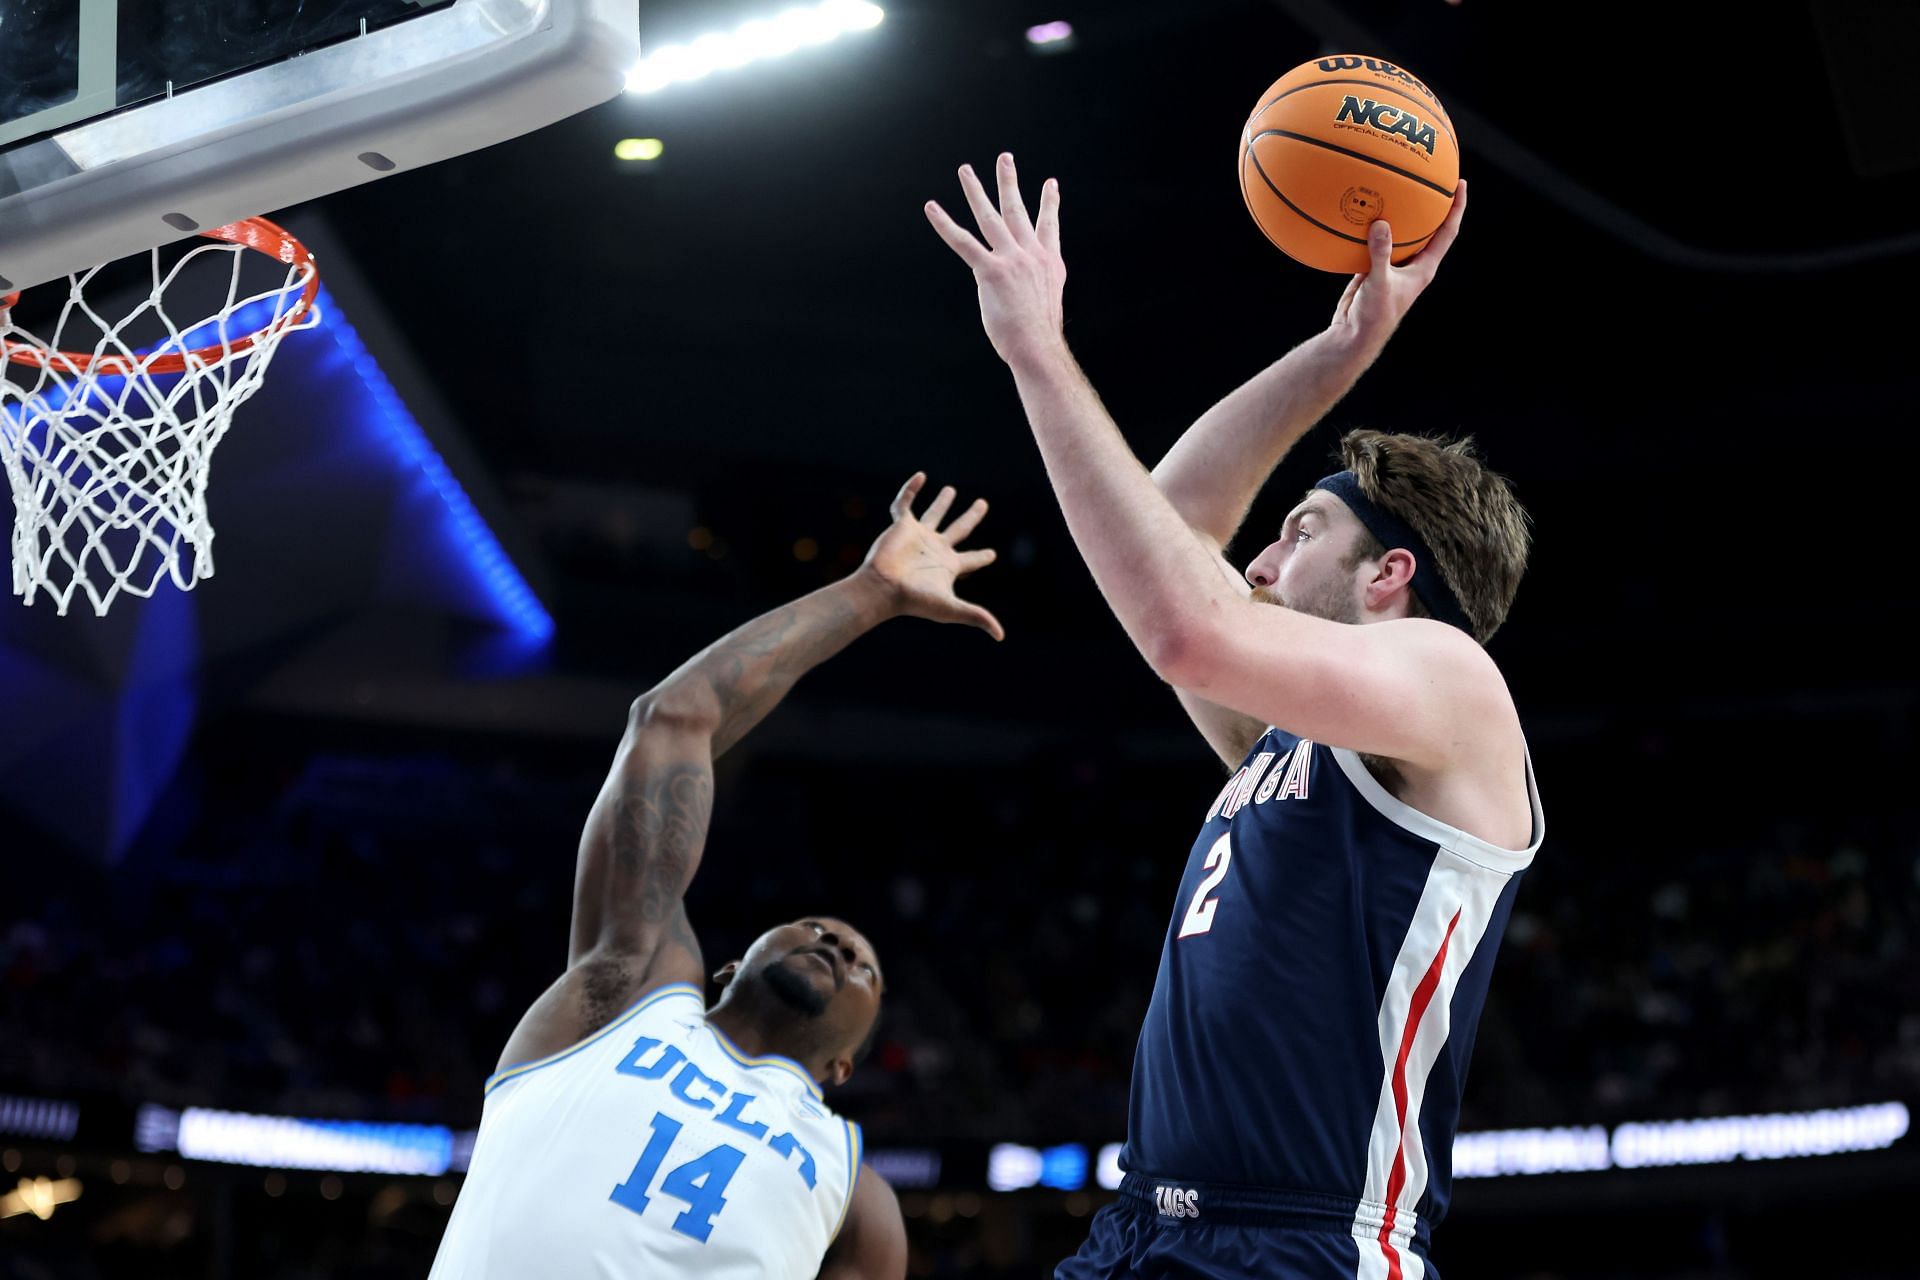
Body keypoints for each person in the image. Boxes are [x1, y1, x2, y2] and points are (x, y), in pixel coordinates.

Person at [927, 156, 1541, 1279]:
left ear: (1389, 571)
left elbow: (1184, 620)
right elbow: (1165, 526)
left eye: (1300, 529)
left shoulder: (1453, 683)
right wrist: (1339, 353)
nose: (1259, 555)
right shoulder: (1292, 738)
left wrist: (1036, 350)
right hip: (1141, 1227)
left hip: (1305, 1242)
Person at [428, 473, 1005, 1280]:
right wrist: (871, 592)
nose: (834, 940)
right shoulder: (628, 993)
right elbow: (672, 720)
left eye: (863, 964)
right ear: (728, 970)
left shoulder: (859, 1202)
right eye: (814, 928)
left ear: (847, 1065)